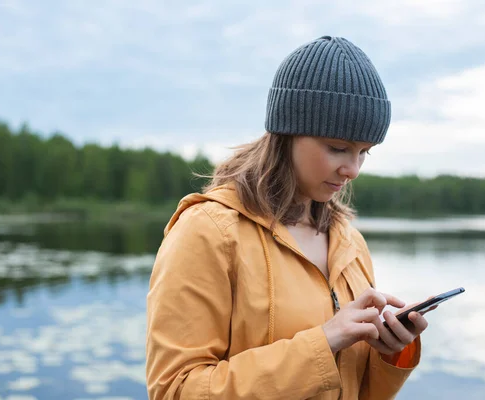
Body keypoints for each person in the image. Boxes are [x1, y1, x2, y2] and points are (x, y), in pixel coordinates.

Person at [146, 35, 430, 400]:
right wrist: (323, 342)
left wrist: (391, 350)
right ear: (287, 132)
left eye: (365, 153)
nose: (353, 169)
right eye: (338, 148)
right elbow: (176, 390)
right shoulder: (208, 231)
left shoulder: (349, 243)